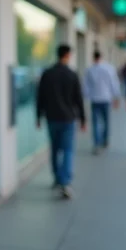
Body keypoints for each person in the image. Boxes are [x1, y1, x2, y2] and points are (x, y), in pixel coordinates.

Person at [36, 44, 86, 199]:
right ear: (68, 55)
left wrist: (38, 116)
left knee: (55, 149)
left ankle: (57, 178)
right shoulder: (72, 74)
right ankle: (65, 182)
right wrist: (83, 118)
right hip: (68, 118)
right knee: (68, 150)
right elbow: (78, 98)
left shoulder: (47, 73)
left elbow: (40, 97)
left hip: (51, 117)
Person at [82, 51, 121, 154]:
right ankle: (105, 140)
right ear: (101, 57)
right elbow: (114, 83)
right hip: (106, 99)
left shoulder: (90, 70)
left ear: (93, 57)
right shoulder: (109, 69)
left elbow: (86, 86)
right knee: (106, 121)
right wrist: (116, 97)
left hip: (95, 99)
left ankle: (96, 144)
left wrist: (86, 97)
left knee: (95, 123)